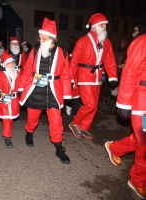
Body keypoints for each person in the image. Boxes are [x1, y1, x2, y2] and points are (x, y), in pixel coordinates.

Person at [17, 17, 72, 164]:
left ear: (52, 39)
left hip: (54, 91)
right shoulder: (34, 51)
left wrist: (68, 95)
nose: (40, 41)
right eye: (40, 38)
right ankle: (29, 133)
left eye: (44, 38)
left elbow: (66, 75)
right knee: (32, 118)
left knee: (56, 121)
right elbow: (27, 71)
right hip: (36, 89)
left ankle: (59, 148)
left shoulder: (63, 53)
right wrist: (20, 89)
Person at [104, 32, 146, 199]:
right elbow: (130, 71)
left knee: (141, 138)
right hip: (143, 100)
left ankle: (115, 148)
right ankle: (138, 180)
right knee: (144, 142)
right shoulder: (143, 41)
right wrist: (123, 102)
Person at [68, 13, 118, 140]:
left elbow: (110, 59)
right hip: (84, 76)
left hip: (98, 77)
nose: (105, 27)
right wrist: (70, 78)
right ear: (94, 26)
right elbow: (73, 62)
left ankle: (84, 127)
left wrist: (112, 77)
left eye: (105, 25)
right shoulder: (83, 40)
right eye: (102, 25)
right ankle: (75, 123)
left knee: (94, 106)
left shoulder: (106, 42)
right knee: (89, 104)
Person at [0, 52, 20, 148]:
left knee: (11, 118)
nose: (11, 65)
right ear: (4, 64)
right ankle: (7, 137)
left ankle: (8, 130)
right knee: (6, 118)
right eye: (8, 63)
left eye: (12, 62)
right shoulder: (0, 74)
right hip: (4, 98)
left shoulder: (17, 73)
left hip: (14, 99)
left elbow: (21, 84)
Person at [65, 36, 81, 116]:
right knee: (73, 95)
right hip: (72, 77)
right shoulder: (73, 52)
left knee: (77, 98)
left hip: (81, 77)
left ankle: (76, 114)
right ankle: (69, 106)